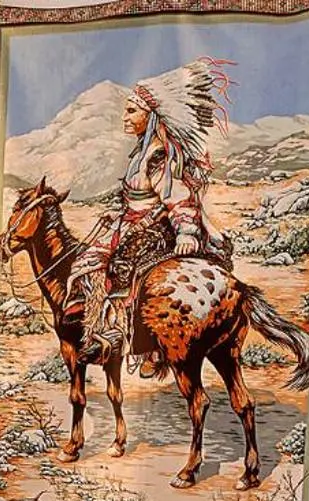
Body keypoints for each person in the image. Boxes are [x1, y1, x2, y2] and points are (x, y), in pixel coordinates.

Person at [74, 58, 233, 368]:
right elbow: (137, 195)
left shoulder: (159, 155)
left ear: (150, 117)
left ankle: (124, 340)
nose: (124, 118)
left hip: (154, 228)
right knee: (86, 260)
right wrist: (117, 213)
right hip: (130, 222)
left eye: (131, 111)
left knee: (108, 268)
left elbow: (178, 197)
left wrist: (186, 232)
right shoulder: (142, 153)